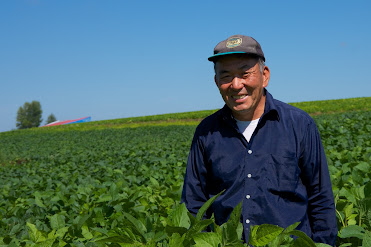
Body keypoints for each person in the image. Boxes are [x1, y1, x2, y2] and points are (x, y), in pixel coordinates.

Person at [181, 34, 337, 245]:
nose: (236, 85)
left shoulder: (299, 124)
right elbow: (194, 204)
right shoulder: (206, 133)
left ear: (265, 75)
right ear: (216, 81)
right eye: (226, 76)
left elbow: (321, 198)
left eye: (245, 74)